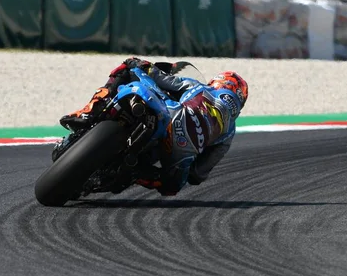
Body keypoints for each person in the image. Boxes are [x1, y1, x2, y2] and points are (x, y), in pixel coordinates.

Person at [59, 57, 249, 196]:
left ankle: (88, 112)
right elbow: (198, 175)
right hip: (182, 149)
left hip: (169, 112)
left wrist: (144, 66)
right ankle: (133, 173)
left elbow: (162, 78)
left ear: (219, 83)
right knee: (171, 185)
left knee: (128, 66)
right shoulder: (229, 134)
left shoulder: (199, 86)